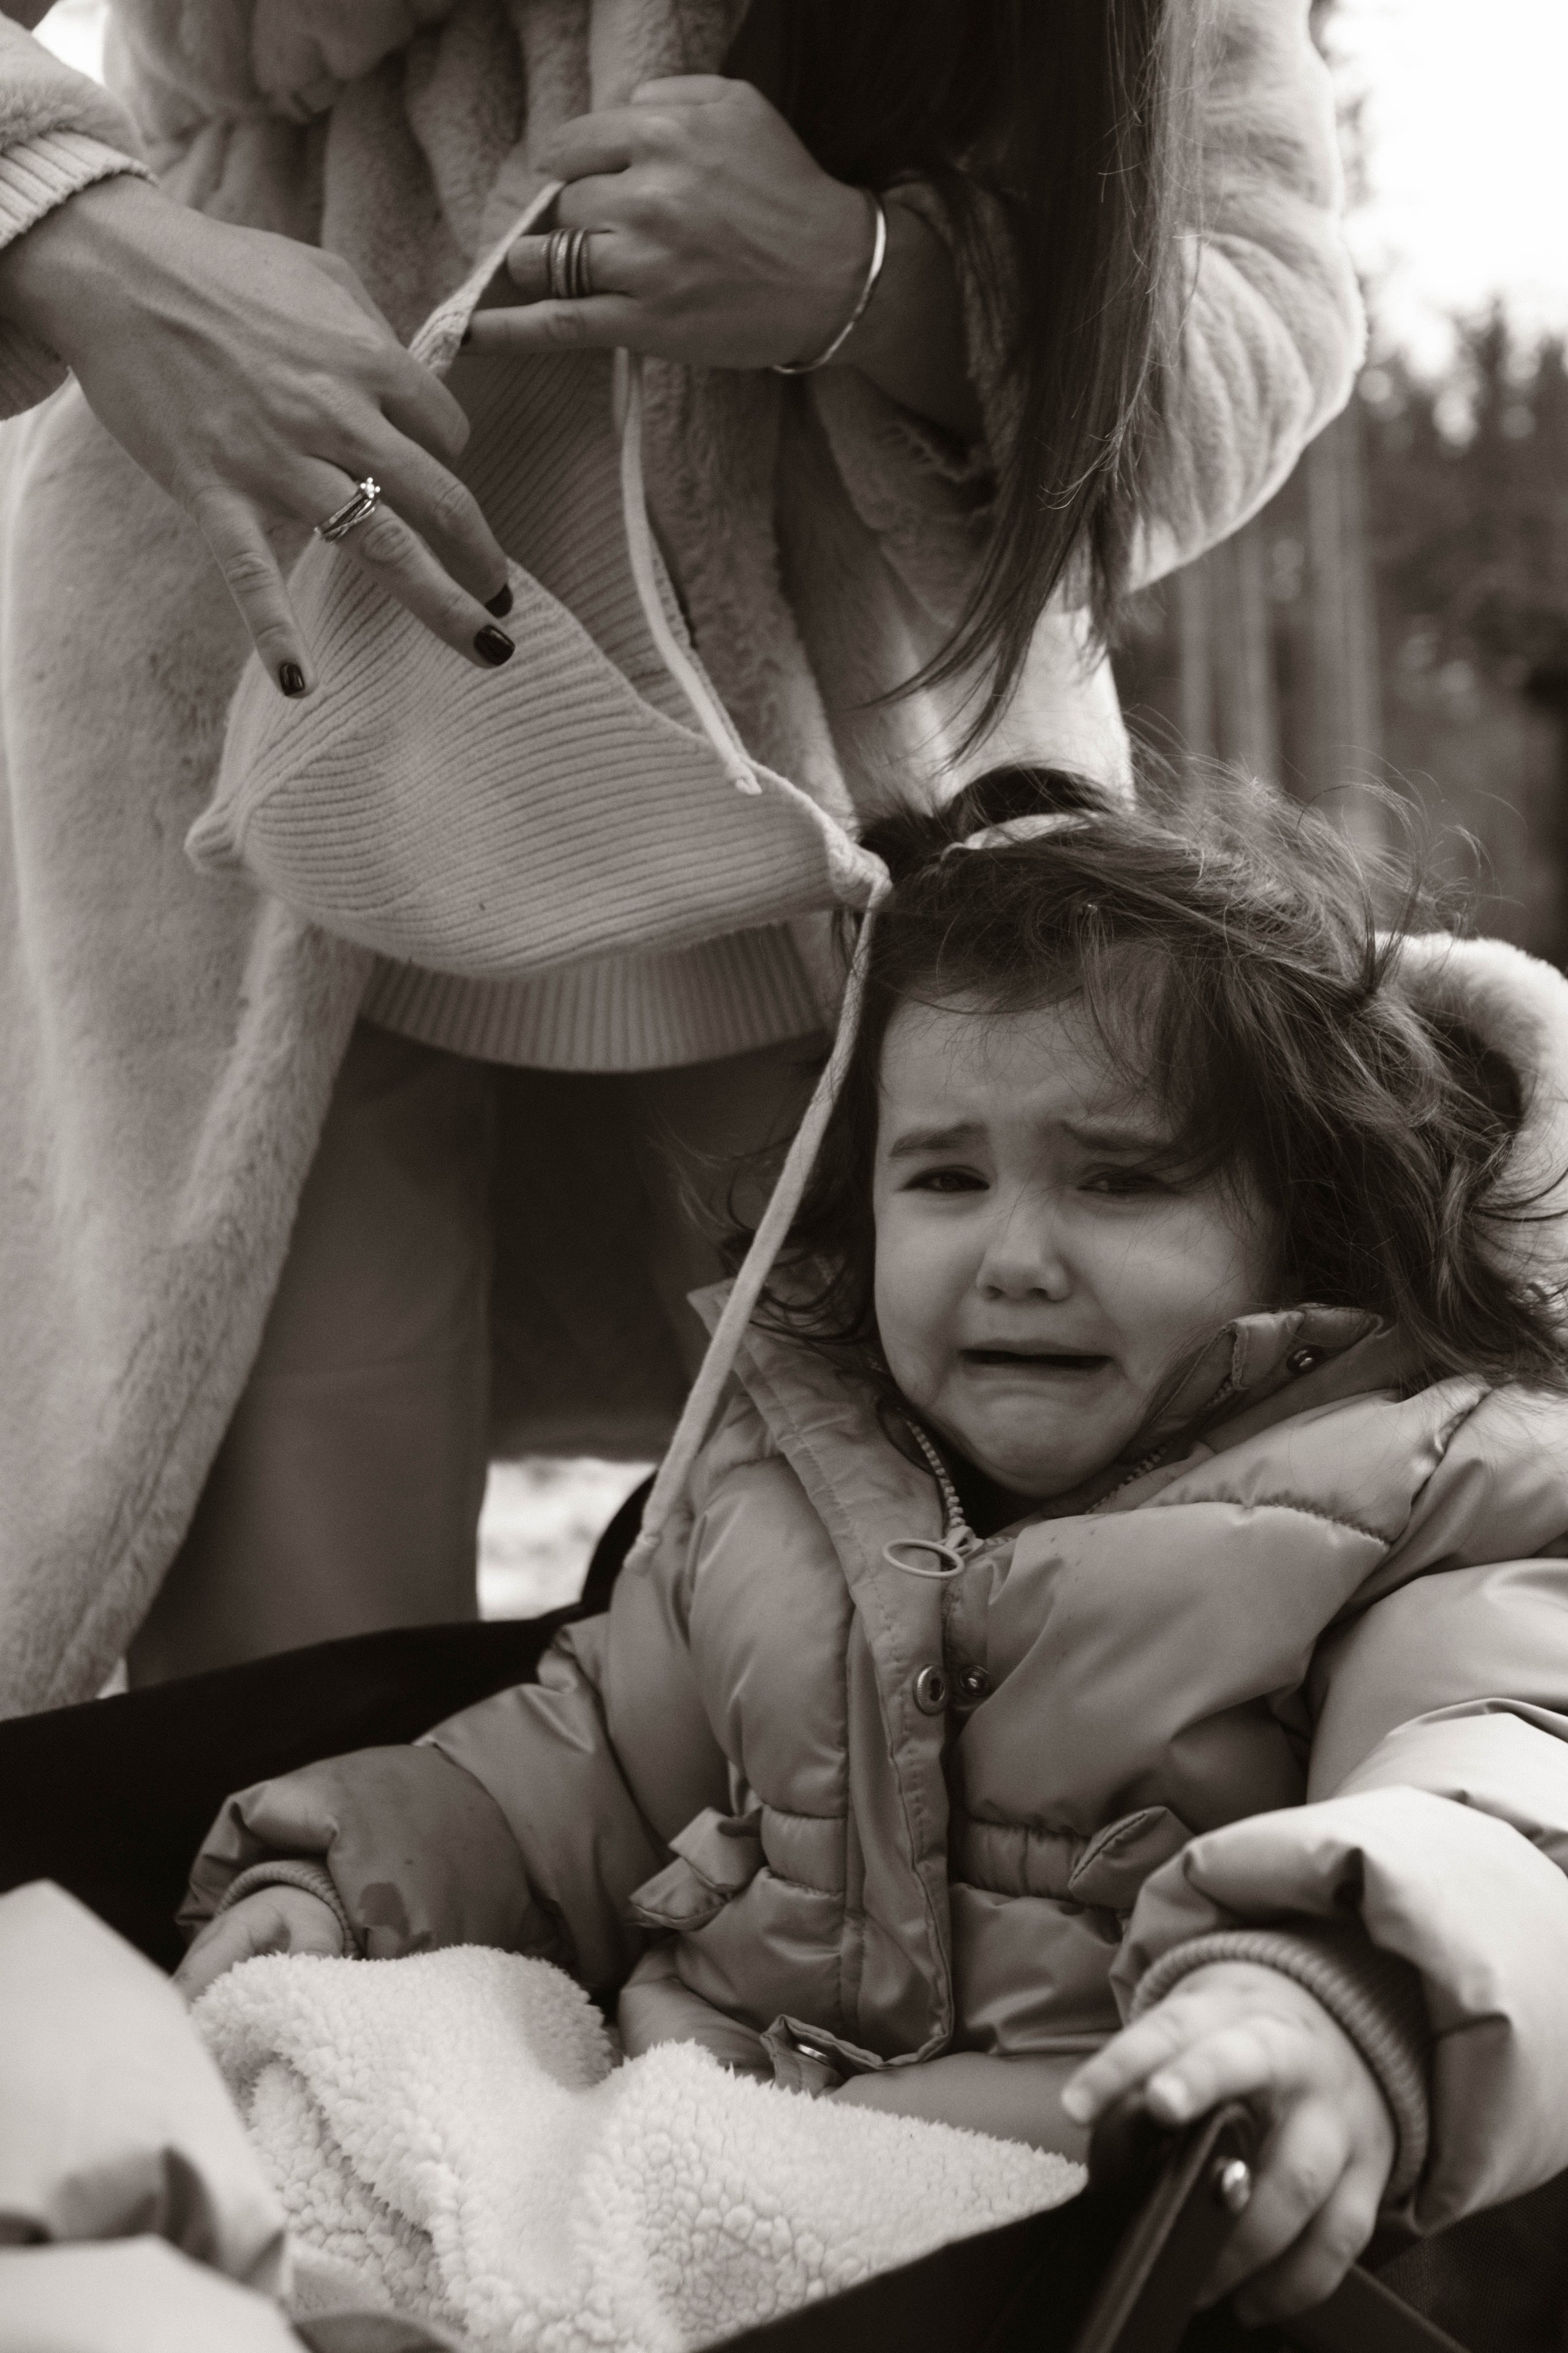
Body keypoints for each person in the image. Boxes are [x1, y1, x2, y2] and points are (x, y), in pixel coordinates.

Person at [0, 0, 1363, 1711]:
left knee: (962, 1694)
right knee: (289, 1757)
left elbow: (1261, 298)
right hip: (239, 760)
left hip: (869, 846)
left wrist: (877, 288)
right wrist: (82, 235)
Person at [177, 765, 1568, 2325]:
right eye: (946, 1177)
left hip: (1085, 2199)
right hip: (712, 2112)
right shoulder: (780, 1479)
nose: (1014, 1256)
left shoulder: (1417, 1494)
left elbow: (1501, 1788)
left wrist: (1338, 1996)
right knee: (326, 2083)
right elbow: (583, 1767)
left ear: (1301, 1212)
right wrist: (350, 1871)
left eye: (1120, 1179)